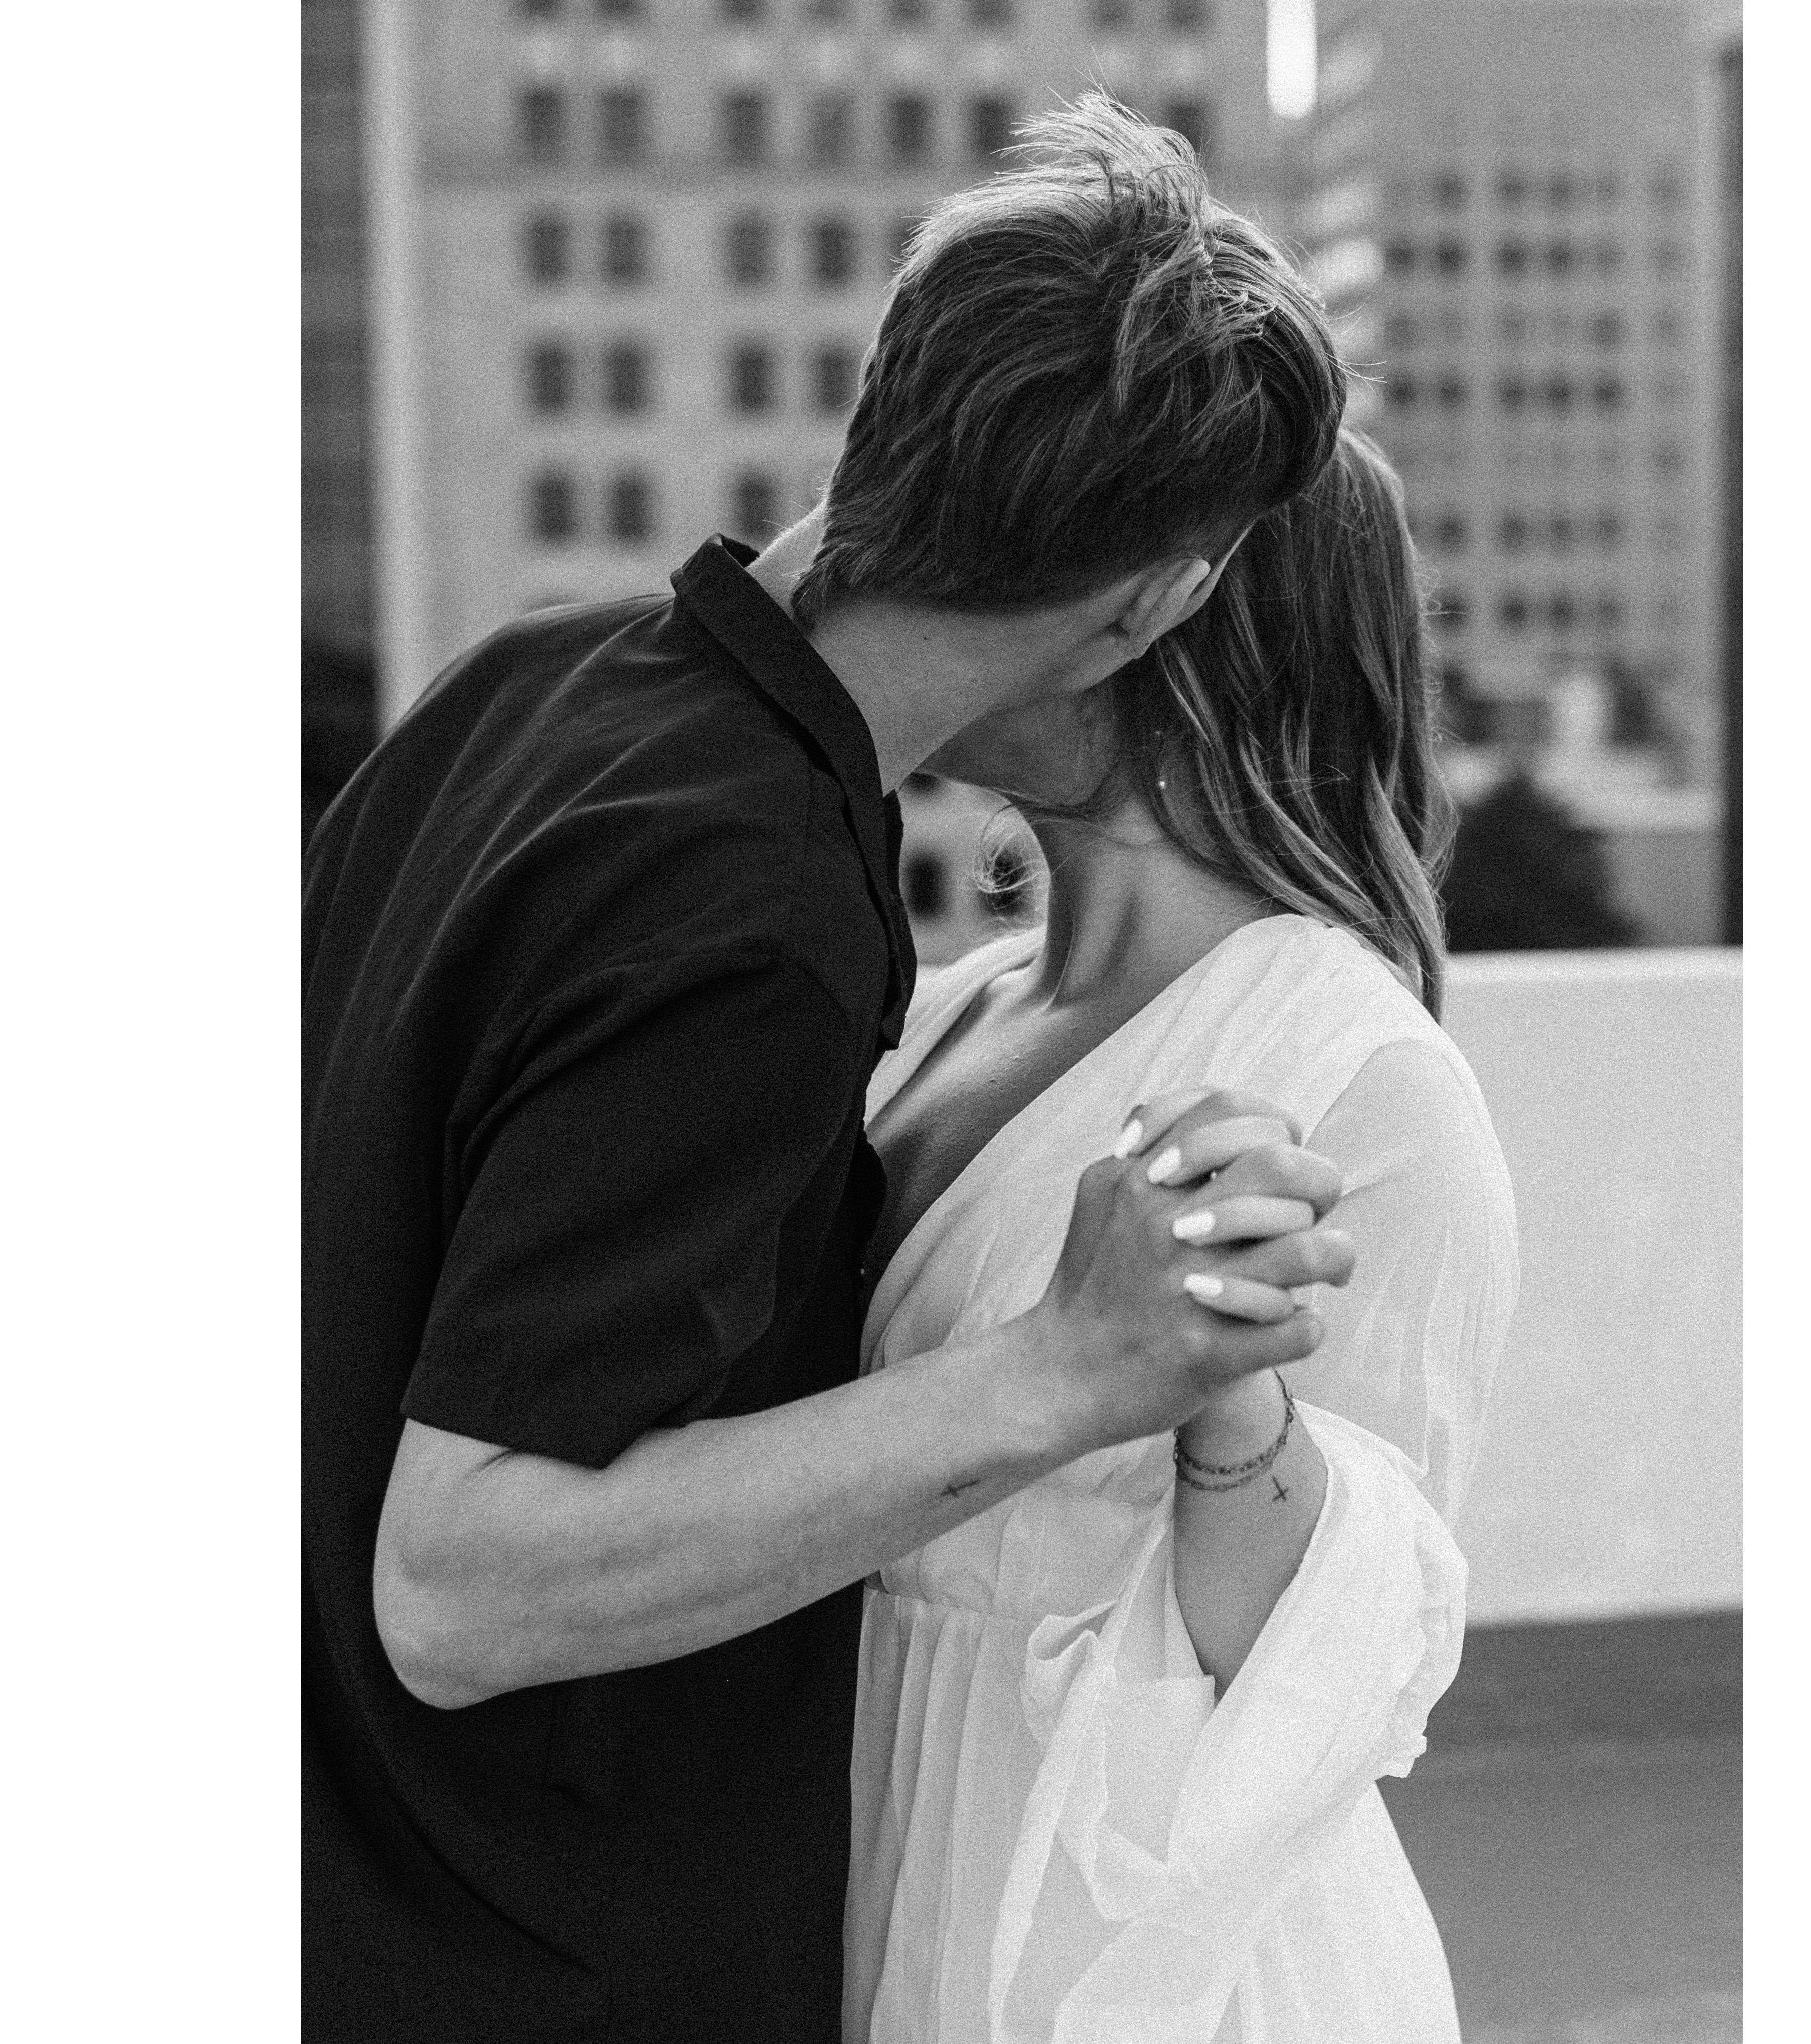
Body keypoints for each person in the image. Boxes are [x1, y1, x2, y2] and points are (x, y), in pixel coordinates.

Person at [303, 101, 1355, 2043]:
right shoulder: (757, 897)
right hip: (525, 1969)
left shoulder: (523, 685)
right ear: (1158, 599)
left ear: (882, 413)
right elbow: (463, 1586)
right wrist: (1069, 1366)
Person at [845, 431, 1521, 2043]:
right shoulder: (943, 1009)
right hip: (869, 1851)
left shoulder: (1362, 1077)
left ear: (1170, 618)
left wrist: (1223, 1390)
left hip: (1146, 1960)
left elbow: (1333, 1662)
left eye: (1014, 557)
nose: (945, 600)